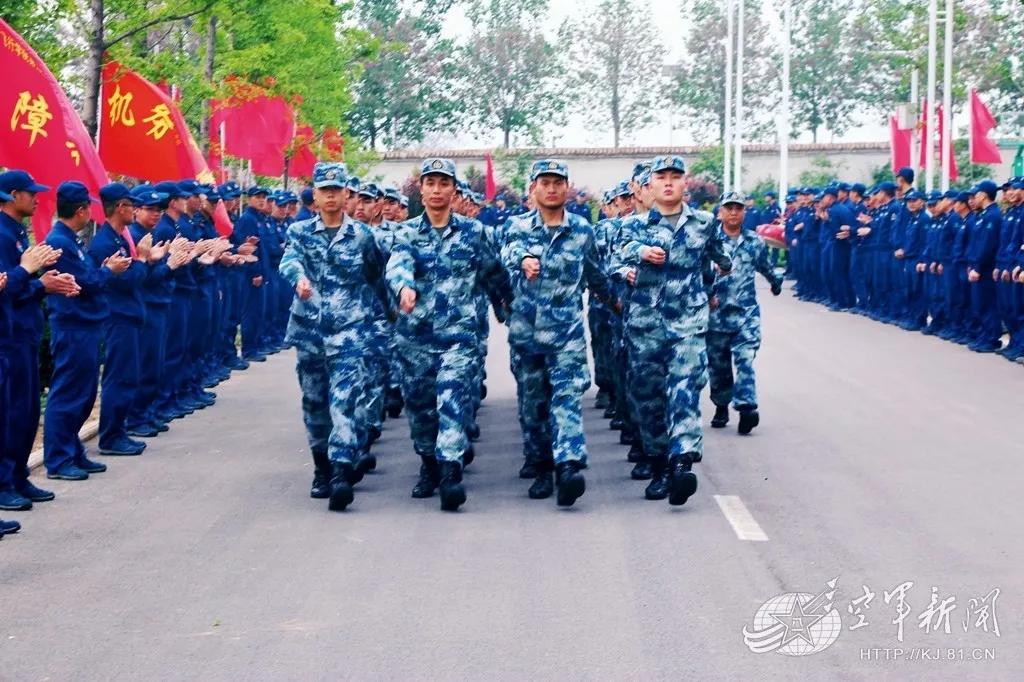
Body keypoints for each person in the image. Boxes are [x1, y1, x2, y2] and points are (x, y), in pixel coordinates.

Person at [386, 158, 510, 511]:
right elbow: (398, 264)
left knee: (452, 399)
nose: (438, 190)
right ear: (421, 190)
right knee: (421, 407)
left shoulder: (475, 233)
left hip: (460, 336)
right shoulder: (405, 233)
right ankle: (428, 464)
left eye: (444, 183)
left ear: (454, 190)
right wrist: (403, 289)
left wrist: (506, 308)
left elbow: (494, 273)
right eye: (431, 183)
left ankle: (450, 470)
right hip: (415, 338)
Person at [615, 155, 732, 505]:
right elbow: (616, 257)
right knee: (648, 396)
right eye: (661, 177)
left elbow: (717, 258)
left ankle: (682, 460)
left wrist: (718, 279)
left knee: (683, 387)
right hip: (645, 323)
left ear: (685, 183)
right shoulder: (633, 225)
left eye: (675, 177)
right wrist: (636, 258)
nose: (668, 183)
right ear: (649, 185)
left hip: (688, 321)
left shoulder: (704, 223)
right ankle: (659, 462)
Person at [501, 160, 612, 505]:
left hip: (566, 335)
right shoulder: (515, 226)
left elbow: (595, 273)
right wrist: (523, 260)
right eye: (544, 182)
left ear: (567, 188)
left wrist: (615, 299)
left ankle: (568, 466)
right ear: (533, 188)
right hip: (527, 335)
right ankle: (540, 463)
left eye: (557, 182)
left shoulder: (581, 230)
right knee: (532, 405)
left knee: (566, 398)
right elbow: (508, 251)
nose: (551, 188)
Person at [279, 162, 387, 511]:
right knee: (315, 402)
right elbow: (288, 261)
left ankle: (341, 470)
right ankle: (321, 467)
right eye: (323, 190)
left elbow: (376, 278)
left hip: (349, 331)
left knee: (345, 399)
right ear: (315, 195)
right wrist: (299, 279)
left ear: (345, 195)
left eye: (335, 190)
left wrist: (387, 319)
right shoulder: (299, 232)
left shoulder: (363, 236)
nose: (329, 196)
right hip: (310, 330)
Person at [44, 181, 134, 479]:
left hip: (85, 324)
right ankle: (58, 459)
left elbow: (86, 278)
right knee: (68, 394)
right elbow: (86, 283)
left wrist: (102, 271)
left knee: (82, 395)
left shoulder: (71, 240)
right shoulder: (61, 242)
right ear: (81, 211)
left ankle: (72, 451)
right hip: (73, 326)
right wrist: (109, 270)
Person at [0, 171, 77, 512]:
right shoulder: (2, 236)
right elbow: (7, 289)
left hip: (24, 332)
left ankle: (17, 476)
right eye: (30, 193)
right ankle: (5, 482)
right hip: (11, 335)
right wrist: (32, 277)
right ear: (12, 195)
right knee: (12, 413)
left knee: (27, 412)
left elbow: (18, 289)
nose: (36, 198)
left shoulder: (15, 234)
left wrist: (43, 284)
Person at [708, 192, 782, 434]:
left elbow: (765, 266)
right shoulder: (709, 243)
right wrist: (705, 296)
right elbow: (696, 274)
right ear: (720, 212)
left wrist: (775, 281)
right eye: (728, 208)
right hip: (716, 315)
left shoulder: (754, 242)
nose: (733, 212)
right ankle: (721, 405)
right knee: (718, 367)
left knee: (745, 359)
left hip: (745, 314)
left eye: (738, 208)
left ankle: (747, 407)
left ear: (744, 212)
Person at [90, 183, 151, 449]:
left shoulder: (120, 238)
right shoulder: (105, 242)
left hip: (128, 315)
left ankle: (119, 430)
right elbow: (127, 282)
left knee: (128, 376)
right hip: (117, 317)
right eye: (130, 205)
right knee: (119, 377)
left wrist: (139, 262)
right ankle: (111, 435)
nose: (134, 210)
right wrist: (142, 260)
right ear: (119, 207)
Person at [965, 180, 1003, 352]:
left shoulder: (993, 215)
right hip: (977, 266)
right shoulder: (982, 215)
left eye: (977, 194)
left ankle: (991, 338)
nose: (974, 198)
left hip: (985, 268)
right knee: (979, 304)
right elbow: (975, 244)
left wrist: (978, 267)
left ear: (985, 194)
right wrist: (971, 264)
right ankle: (983, 336)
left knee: (988, 304)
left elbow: (987, 246)